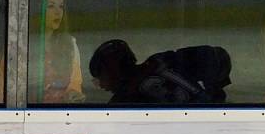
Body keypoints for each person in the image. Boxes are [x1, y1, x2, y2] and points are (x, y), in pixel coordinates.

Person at [89, 39, 231, 105]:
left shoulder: (125, 99)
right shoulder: (159, 60)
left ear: (114, 72)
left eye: (102, 78)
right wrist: (215, 90)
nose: (102, 85)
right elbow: (216, 55)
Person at [29, 0, 84, 103]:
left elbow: (76, 85)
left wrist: (73, 94)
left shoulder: (70, 44)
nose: (58, 12)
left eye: (61, 6)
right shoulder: (23, 45)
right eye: (51, 6)